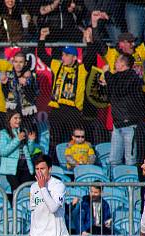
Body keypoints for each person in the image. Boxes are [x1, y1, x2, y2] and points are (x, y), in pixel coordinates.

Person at [36, 27, 96, 162]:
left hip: (73, 111)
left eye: (67, 55)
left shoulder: (81, 69)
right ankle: (54, 165)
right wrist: (42, 38)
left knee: (74, 139)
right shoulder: (57, 65)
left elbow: (91, 58)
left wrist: (89, 41)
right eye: (63, 54)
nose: (63, 57)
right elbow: (42, 54)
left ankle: (73, 165)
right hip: (57, 109)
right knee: (54, 138)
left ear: (74, 57)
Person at [0, 111, 37, 195]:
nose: (18, 120)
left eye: (19, 118)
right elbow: (4, 152)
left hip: (25, 166)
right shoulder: (3, 133)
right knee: (16, 191)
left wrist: (31, 141)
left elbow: (30, 152)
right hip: (12, 168)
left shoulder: (23, 131)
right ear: (9, 120)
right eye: (15, 118)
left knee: (27, 192)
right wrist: (17, 140)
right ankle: (15, 207)